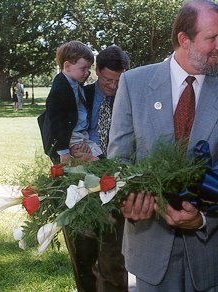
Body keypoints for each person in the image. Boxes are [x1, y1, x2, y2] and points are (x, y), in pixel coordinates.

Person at [107, 0, 218, 291]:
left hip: (211, 249)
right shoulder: (134, 84)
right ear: (184, 40)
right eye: (212, 38)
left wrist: (199, 217)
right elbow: (119, 160)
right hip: (150, 247)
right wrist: (128, 200)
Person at [67, 45, 131, 292]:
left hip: (117, 185)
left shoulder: (131, 100)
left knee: (114, 261)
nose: (113, 86)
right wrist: (72, 152)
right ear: (96, 71)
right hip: (81, 186)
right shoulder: (78, 95)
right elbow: (56, 130)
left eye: (118, 80)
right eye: (107, 80)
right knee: (84, 259)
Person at [38, 40, 100, 164]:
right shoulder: (60, 89)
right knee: (93, 162)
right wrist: (63, 151)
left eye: (88, 68)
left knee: (99, 157)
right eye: (83, 68)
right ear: (67, 66)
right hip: (68, 137)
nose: (87, 72)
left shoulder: (75, 83)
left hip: (80, 134)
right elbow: (56, 121)